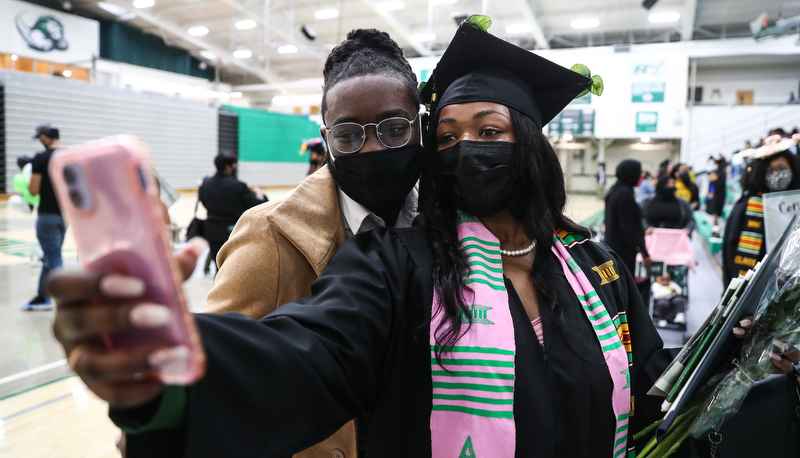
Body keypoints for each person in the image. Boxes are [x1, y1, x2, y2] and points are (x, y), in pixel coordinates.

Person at [47, 18, 800, 458]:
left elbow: (655, 391)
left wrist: (751, 363)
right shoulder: (397, 264)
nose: (465, 149)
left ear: (531, 144)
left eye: (490, 130)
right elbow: (307, 354)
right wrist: (169, 376)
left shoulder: (593, 264)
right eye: (446, 137)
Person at [202, 29, 424, 457]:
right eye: (348, 136)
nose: (373, 148)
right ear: (327, 142)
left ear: (421, 128)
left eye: (395, 129)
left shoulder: (448, 225)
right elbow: (220, 380)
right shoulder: (269, 234)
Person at [722, 140, 800, 286]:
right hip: (758, 283)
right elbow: (731, 250)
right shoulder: (748, 205)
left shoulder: (796, 200)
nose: (779, 174)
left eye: (782, 168)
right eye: (771, 170)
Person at [198, 152, 267, 275]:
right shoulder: (238, 186)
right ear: (228, 167)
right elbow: (257, 205)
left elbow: (203, 201)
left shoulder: (206, 183)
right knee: (232, 272)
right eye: (234, 165)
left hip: (211, 230)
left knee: (218, 269)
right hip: (232, 231)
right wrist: (260, 195)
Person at [21, 123, 65, 311]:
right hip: (65, 216)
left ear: (44, 138)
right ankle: (42, 297)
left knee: (53, 257)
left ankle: (67, 298)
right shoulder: (70, 156)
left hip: (47, 215)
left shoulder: (41, 158)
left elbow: (33, 189)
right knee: (50, 256)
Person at [604, 159, 651, 275]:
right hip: (623, 253)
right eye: (639, 173)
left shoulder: (614, 190)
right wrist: (644, 254)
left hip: (612, 249)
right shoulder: (625, 195)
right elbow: (628, 228)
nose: (641, 176)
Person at [705, 155, 727, 233]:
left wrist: (713, 180)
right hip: (714, 196)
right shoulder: (715, 173)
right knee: (714, 216)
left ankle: (715, 230)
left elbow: (720, 184)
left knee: (715, 215)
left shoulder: (721, 174)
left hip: (719, 197)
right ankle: (715, 230)